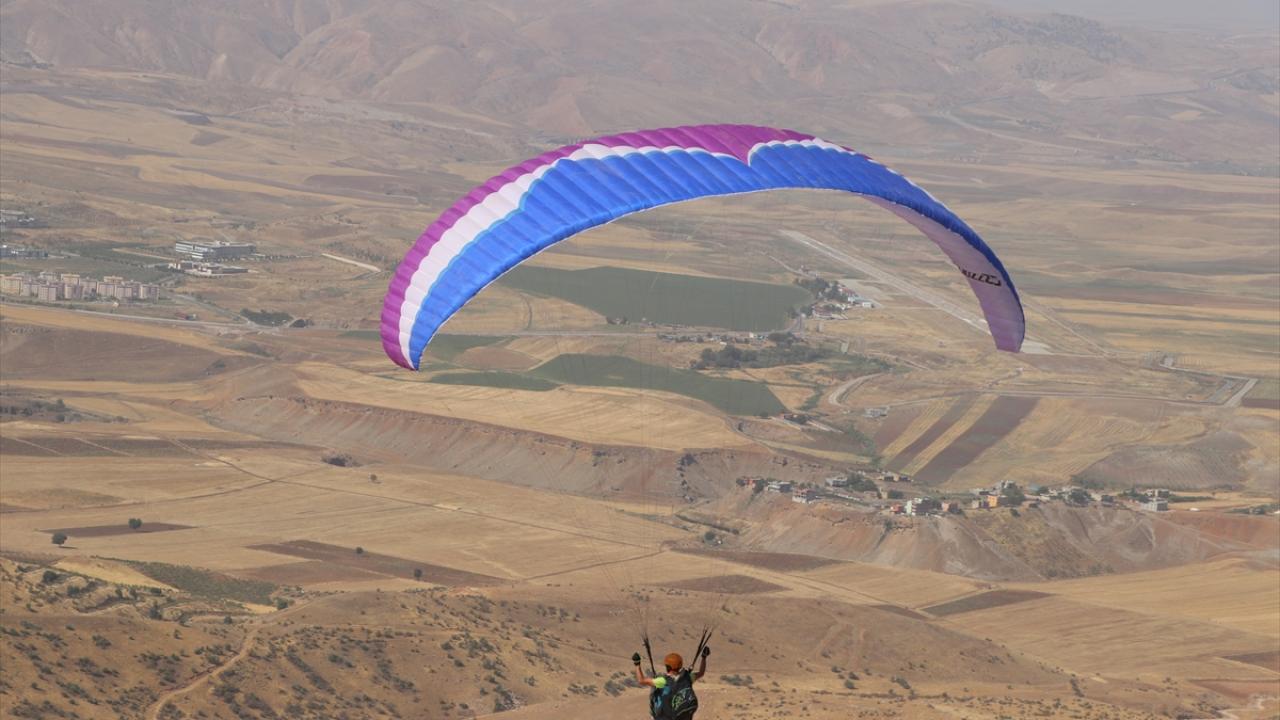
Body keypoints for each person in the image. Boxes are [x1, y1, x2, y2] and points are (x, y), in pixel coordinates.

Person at [632, 646, 709, 719]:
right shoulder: (687, 678)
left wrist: (637, 664)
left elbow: (641, 680)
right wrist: (704, 657)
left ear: (667, 667)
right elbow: (701, 673)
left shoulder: (662, 681)